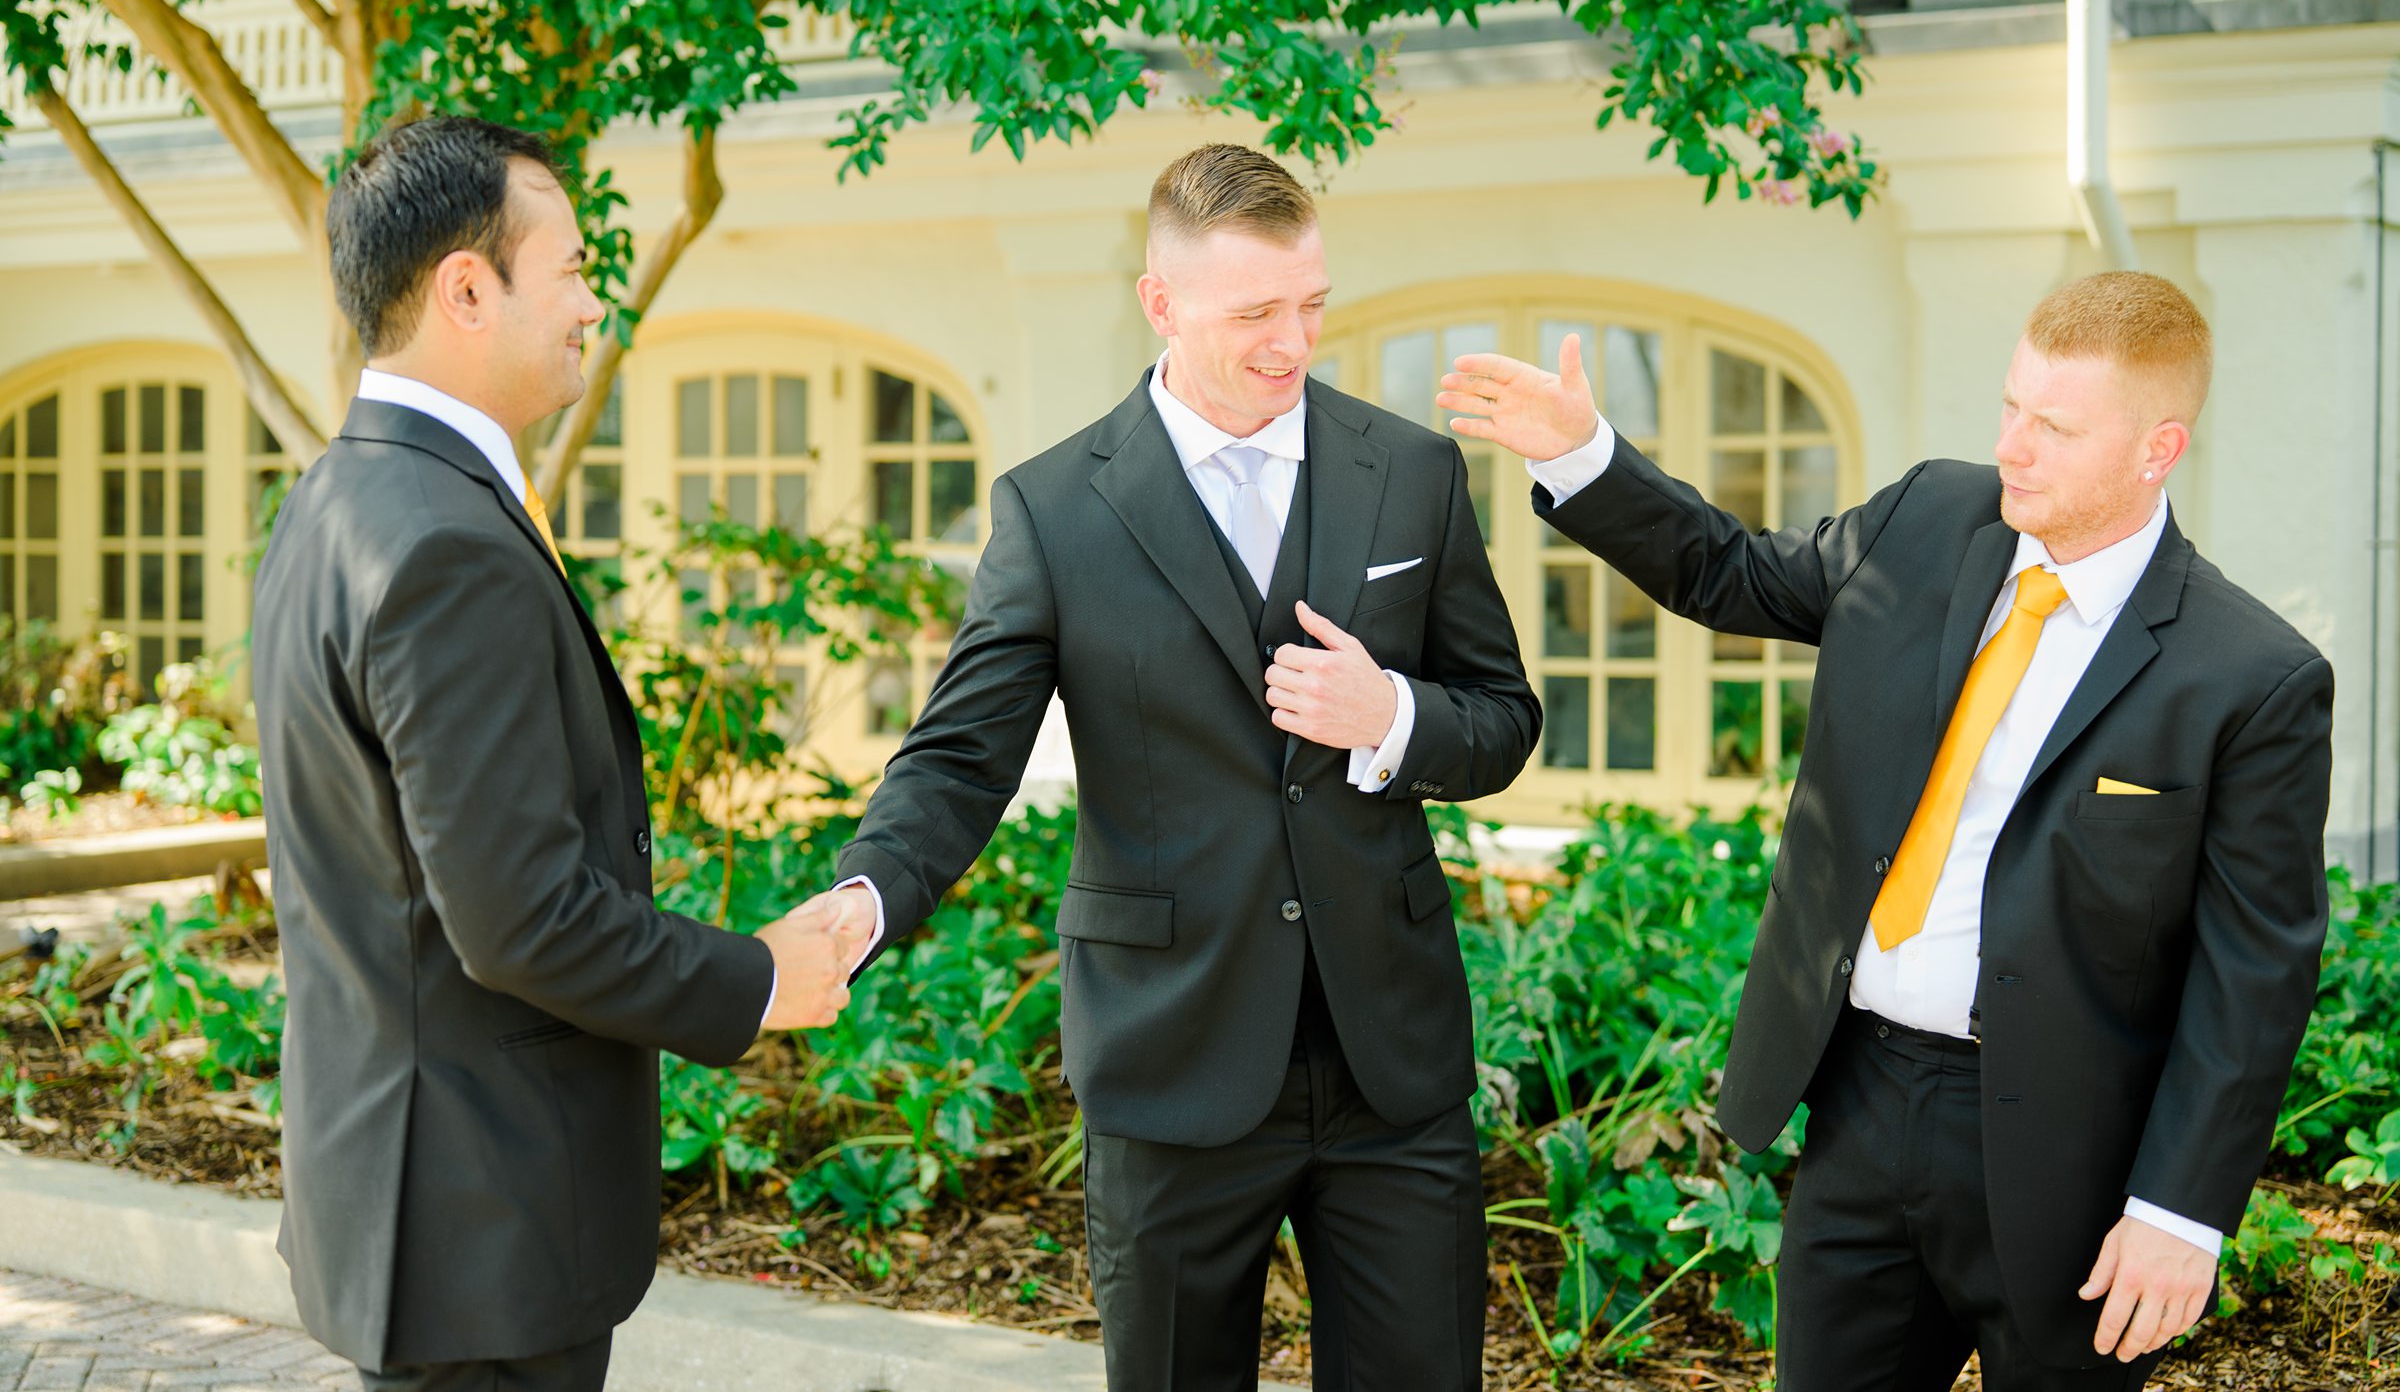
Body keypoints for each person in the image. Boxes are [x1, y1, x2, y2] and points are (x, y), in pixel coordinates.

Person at [1438, 271, 2332, 1391]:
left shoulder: (2250, 677)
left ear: (2158, 450)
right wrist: (1581, 455)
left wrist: (2180, 1210)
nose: (2016, 445)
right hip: (1859, 1101)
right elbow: (1729, 570)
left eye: (2056, 427)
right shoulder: (1925, 520)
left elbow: (2255, 971)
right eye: (2012, 405)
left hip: (2070, 1158)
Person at [826, 143, 1539, 1389]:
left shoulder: (1413, 472)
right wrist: (862, 900)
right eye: (1254, 312)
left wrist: (1390, 719)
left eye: (1311, 304)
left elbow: (1502, 718)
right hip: (1171, 1061)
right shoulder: (1054, 512)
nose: (1291, 342)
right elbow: (959, 756)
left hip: (1392, 1059)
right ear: (1160, 304)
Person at [251, 115, 868, 1392]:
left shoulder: (340, 497)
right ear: (466, 289)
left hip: (412, 1204)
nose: (599, 300)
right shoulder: (441, 544)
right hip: (477, 1228)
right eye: (577, 266)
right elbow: (517, 917)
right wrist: (757, 979)